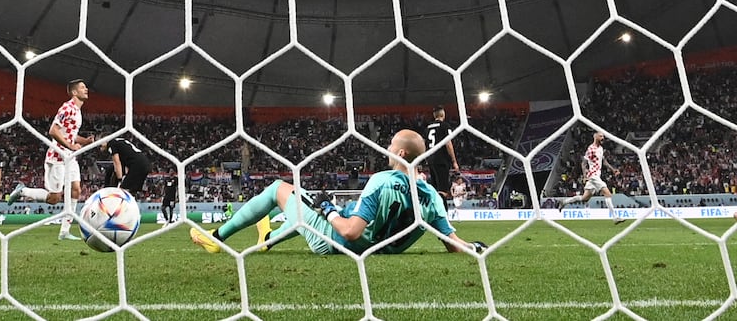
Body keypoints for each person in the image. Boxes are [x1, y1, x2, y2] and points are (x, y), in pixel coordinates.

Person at [190, 129, 487, 256]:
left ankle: (217, 238)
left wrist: (328, 209)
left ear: (398, 151)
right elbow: (451, 244)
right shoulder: (432, 196)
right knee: (303, 198)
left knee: (279, 190)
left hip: (333, 243)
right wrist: (473, 248)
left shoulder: (382, 181)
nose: (385, 150)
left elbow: (350, 232)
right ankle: (268, 240)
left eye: (389, 146)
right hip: (380, 248)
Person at [7, 79, 96, 240]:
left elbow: (70, 134)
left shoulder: (77, 111)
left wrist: (85, 141)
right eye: (83, 87)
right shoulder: (67, 107)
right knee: (54, 198)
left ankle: (64, 231)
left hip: (70, 157)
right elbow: (53, 131)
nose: (86, 89)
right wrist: (70, 146)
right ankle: (23, 191)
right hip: (57, 156)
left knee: (76, 189)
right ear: (74, 92)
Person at [557, 132, 625, 225]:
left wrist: (613, 170)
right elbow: (584, 163)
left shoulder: (601, 148)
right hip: (593, 176)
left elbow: (604, 161)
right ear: (595, 137)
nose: (603, 138)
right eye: (600, 136)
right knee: (608, 194)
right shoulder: (591, 149)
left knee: (584, 198)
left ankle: (564, 202)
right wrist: (585, 175)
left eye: (603, 136)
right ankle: (615, 217)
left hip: (596, 176)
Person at [423, 106, 459, 210]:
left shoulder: (428, 127)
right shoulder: (444, 126)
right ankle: (443, 215)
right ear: (443, 114)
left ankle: (434, 213)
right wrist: (454, 161)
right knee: (443, 189)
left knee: (435, 188)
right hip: (441, 159)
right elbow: (448, 143)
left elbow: (424, 144)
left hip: (430, 159)